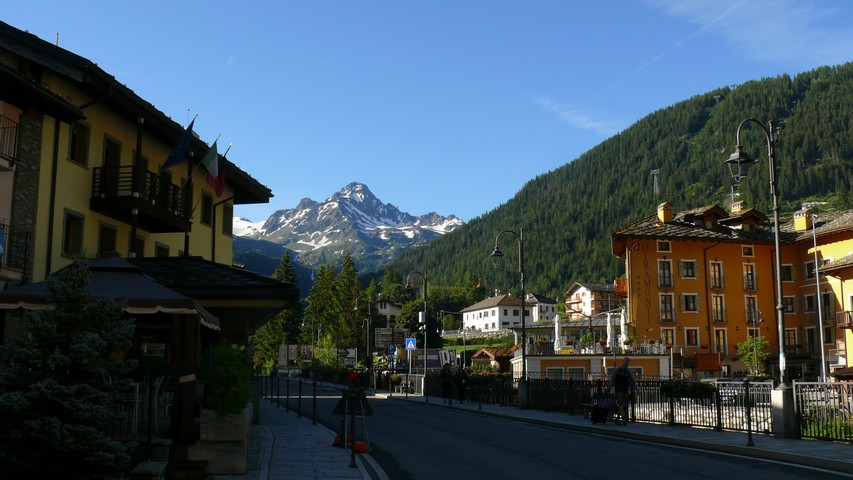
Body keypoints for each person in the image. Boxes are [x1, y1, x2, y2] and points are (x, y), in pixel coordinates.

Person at [608, 356, 637, 425]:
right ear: (623, 361)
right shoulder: (618, 369)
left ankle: (618, 419)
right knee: (621, 404)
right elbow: (613, 378)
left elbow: (632, 380)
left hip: (625, 390)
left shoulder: (628, 371)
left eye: (628, 361)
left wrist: (636, 388)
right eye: (626, 361)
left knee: (624, 405)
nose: (627, 362)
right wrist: (609, 387)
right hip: (618, 390)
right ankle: (624, 418)